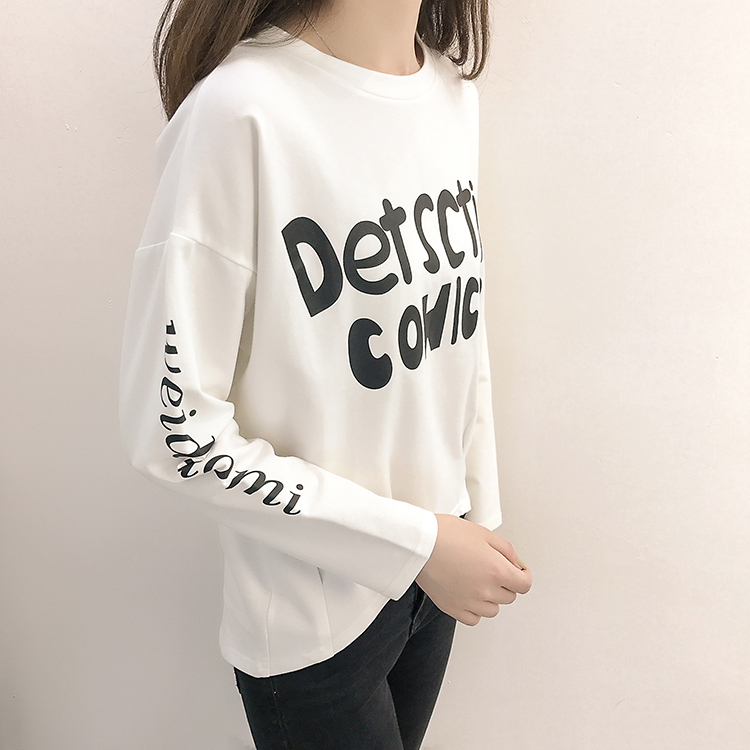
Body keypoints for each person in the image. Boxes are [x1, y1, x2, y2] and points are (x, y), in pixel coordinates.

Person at [119, 0, 532, 747]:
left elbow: (453, 330)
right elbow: (174, 432)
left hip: (435, 580)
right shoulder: (240, 113)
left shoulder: (449, 96)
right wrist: (418, 545)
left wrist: (477, 512)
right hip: (315, 628)